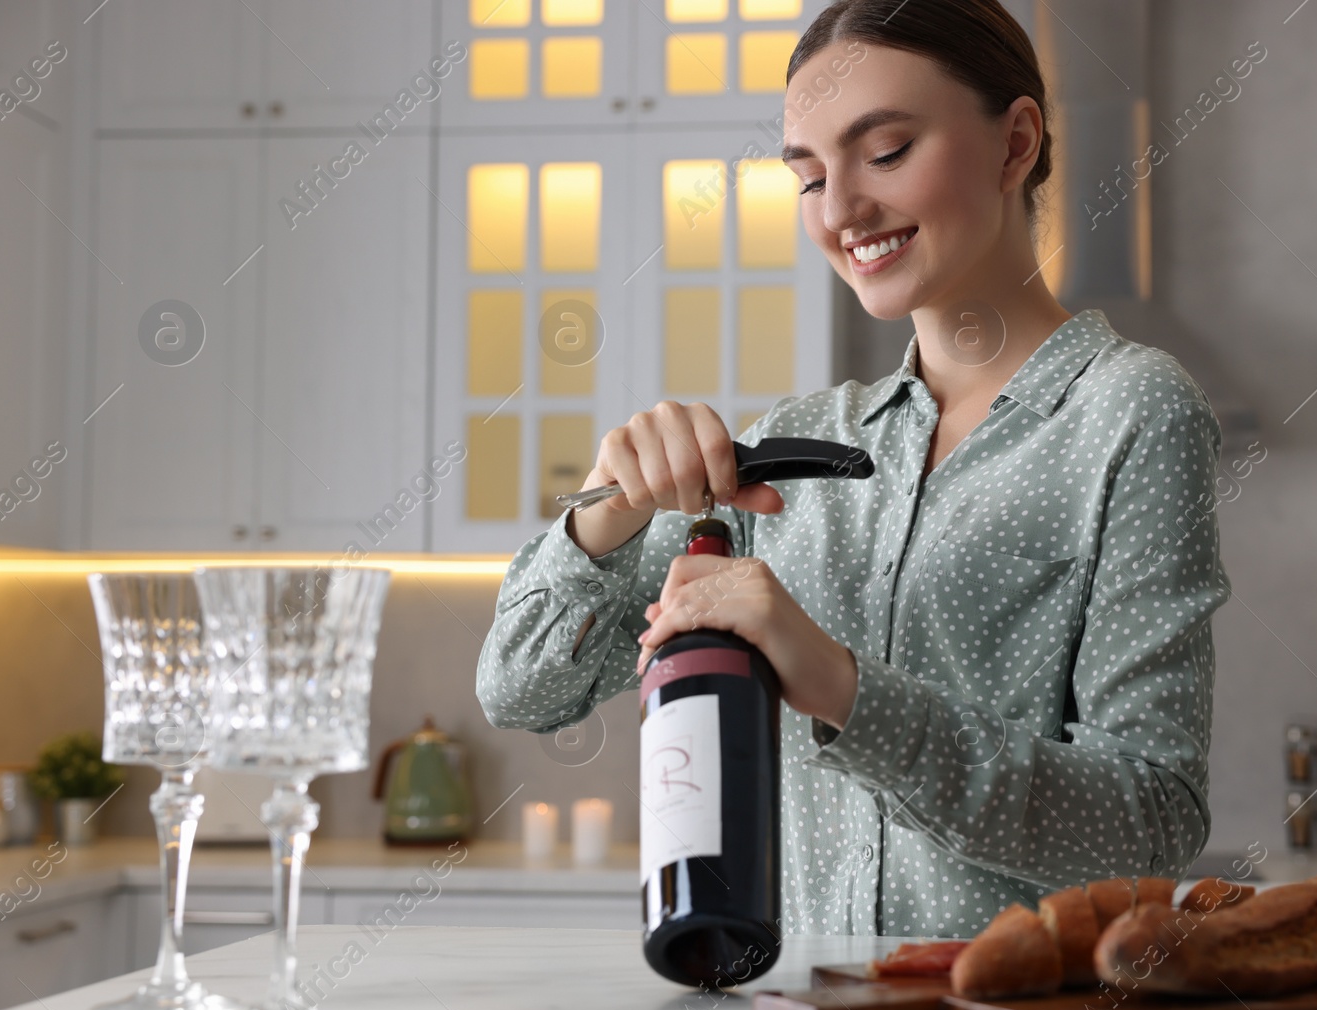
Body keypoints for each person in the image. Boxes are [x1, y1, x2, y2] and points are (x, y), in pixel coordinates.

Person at [476, 0, 1231, 938]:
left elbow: (1149, 823)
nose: (839, 212)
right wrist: (607, 511)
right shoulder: (784, 447)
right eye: (808, 177)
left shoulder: (1132, 412)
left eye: (884, 153)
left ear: (1016, 143)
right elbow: (518, 689)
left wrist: (841, 686)